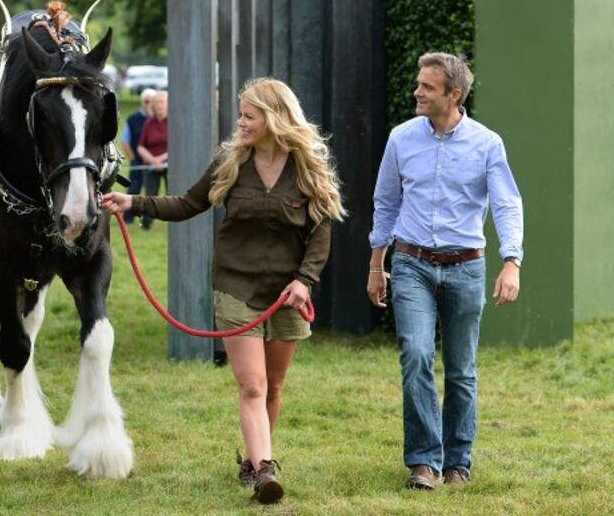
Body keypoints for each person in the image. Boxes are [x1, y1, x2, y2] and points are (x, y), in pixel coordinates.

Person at [102, 78, 346, 504]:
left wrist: (304, 281)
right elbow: (187, 204)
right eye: (242, 115)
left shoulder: (308, 167)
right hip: (236, 286)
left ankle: (254, 461)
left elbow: (320, 232)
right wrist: (134, 203)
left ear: (273, 119)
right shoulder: (230, 162)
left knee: (272, 387)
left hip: (286, 293)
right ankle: (265, 472)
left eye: (249, 116)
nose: (241, 123)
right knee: (252, 385)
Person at [367, 52, 523, 490]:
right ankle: (423, 461)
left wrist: (512, 262)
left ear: (453, 94)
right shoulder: (400, 139)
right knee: (416, 355)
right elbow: (386, 205)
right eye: (418, 84)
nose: (417, 91)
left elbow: (508, 204)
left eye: (427, 87)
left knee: (461, 369)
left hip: (466, 267)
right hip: (412, 263)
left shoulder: (487, 143)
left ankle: (458, 462)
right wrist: (377, 265)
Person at [119, 88, 157, 224]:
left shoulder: (157, 119)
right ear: (142, 102)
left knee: (151, 191)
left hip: (155, 162)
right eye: (147, 101)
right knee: (134, 188)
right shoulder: (133, 119)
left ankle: (148, 220)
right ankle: (128, 218)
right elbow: (125, 141)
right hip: (138, 161)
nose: (149, 104)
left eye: (153, 101)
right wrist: (133, 158)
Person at [136, 90, 169, 229]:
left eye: (161, 102)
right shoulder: (148, 123)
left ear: (167, 104)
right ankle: (147, 223)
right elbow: (140, 146)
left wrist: (160, 160)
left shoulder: (174, 122)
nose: (158, 105)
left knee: (173, 194)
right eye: (156, 102)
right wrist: (152, 160)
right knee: (150, 195)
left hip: (169, 165)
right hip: (149, 165)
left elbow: (177, 146)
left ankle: (174, 223)